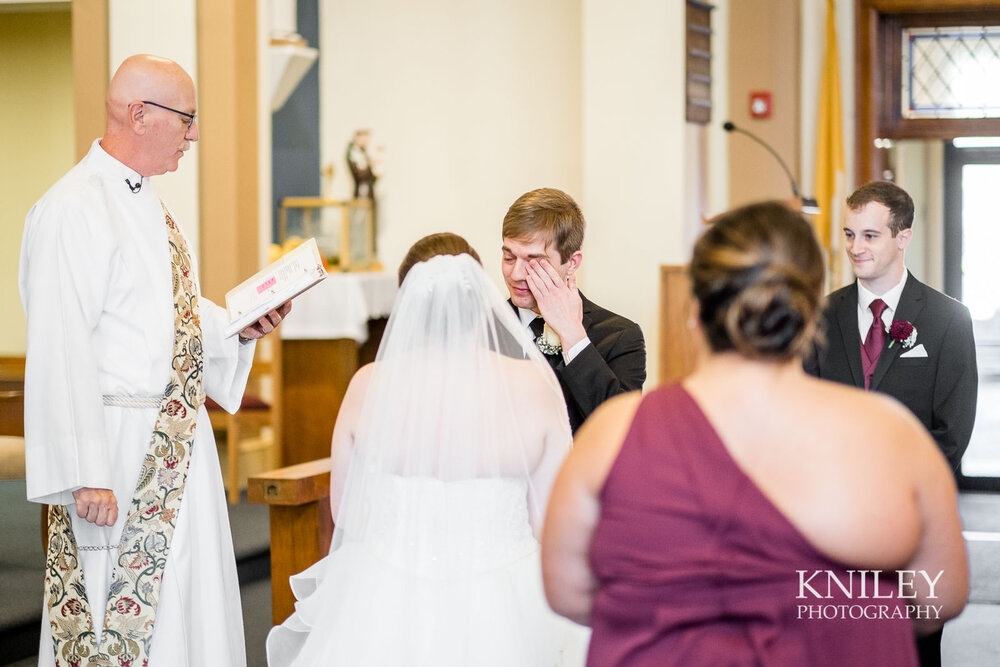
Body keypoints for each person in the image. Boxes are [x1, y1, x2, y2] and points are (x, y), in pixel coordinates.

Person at [542, 202, 968, 666]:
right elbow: (940, 598)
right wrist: (845, 615)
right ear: (810, 316)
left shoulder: (614, 432)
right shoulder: (892, 433)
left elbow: (567, 593)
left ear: (694, 312)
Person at [19, 54, 290, 667]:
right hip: (113, 451)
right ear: (139, 115)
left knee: (187, 607)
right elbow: (61, 343)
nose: (194, 134)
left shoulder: (150, 206)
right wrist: (84, 469)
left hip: (173, 443)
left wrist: (242, 329)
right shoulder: (73, 207)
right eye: (186, 118)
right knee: (114, 613)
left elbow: (172, 315)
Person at [267, 233, 586, 666]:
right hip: (505, 602)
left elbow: (347, 512)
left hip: (385, 595)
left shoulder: (368, 385)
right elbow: (551, 520)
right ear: (481, 300)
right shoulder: (535, 386)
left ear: (407, 306)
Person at [803, 180, 978, 666]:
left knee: (914, 652)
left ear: (904, 237)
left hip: (914, 527)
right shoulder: (820, 316)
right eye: (849, 233)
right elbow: (804, 415)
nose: (855, 248)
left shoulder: (948, 320)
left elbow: (951, 433)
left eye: (871, 236)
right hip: (832, 526)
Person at [501, 188, 646, 432]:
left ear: (572, 263)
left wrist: (572, 336)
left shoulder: (621, 336)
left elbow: (620, 430)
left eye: (533, 261)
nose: (516, 274)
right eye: (508, 257)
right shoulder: (481, 326)